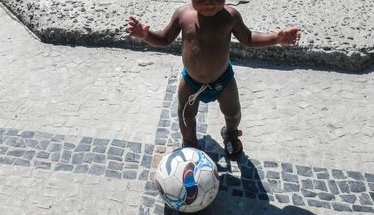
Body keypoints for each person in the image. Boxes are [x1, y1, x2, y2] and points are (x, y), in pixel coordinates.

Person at [127, 0, 300, 156]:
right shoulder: (183, 14)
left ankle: (231, 134)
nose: (209, 3)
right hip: (191, 82)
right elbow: (165, 38)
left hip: (223, 80)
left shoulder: (230, 16)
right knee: (186, 115)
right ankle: (190, 144)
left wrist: (276, 38)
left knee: (233, 112)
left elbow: (248, 38)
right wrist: (146, 36)